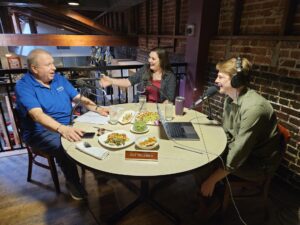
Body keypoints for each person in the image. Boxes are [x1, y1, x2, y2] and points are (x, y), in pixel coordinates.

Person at [15, 49, 109, 200]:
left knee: (97, 133)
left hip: (68, 124)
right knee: (64, 147)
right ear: (34, 68)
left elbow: (79, 98)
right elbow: (37, 115)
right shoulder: (24, 86)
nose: (54, 67)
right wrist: (62, 129)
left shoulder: (58, 79)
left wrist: (97, 108)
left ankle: (96, 169)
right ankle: (73, 182)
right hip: (40, 132)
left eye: (53, 63)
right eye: (48, 65)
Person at [195, 57, 281, 219]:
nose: (215, 80)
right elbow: (228, 134)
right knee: (199, 154)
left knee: (203, 165)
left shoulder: (254, 108)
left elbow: (239, 153)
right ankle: (209, 196)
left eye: (220, 77)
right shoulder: (230, 100)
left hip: (257, 165)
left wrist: (212, 179)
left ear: (236, 80)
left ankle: (211, 199)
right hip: (242, 154)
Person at [100, 47, 176, 103]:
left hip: (158, 110)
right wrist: (111, 81)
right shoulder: (146, 69)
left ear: (162, 61)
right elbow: (128, 82)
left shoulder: (170, 77)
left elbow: (169, 99)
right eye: (149, 57)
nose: (149, 60)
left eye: (153, 59)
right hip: (141, 106)